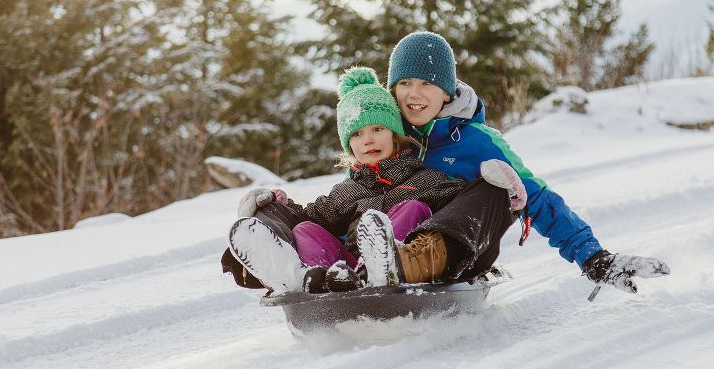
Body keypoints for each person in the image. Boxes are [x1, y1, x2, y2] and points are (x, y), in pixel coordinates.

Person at [384, 31, 670, 296]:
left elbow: (536, 197)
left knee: (499, 183)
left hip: (459, 253)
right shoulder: (384, 139)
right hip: (391, 246)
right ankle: (368, 265)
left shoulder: (478, 143)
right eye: (405, 83)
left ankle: (409, 262)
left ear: (446, 91)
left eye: (426, 83)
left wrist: (593, 257)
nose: (414, 94)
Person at [221, 66, 527, 294]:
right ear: (348, 145)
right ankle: (303, 276)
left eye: (378, 129)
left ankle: (386, 263)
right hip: (344, 273)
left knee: (411, 209)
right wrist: (273, 207)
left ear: (395, 134)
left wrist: (503, 196)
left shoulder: (426, 179)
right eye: (357, 134)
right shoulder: (346, 191)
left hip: (405, 263)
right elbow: (305, 218)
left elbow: (462, 204)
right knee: (304, 228)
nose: (368, 140)